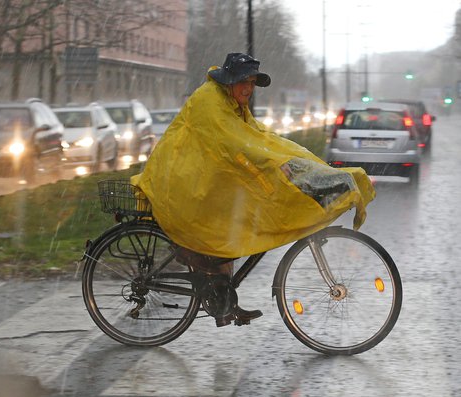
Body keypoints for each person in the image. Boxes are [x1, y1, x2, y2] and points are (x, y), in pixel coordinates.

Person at [132, 52, 375, 328]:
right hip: (181, 181)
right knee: (219, 230)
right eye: (242, 81)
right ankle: (219, 296)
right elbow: (236, 144)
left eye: (251, 82)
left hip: (205, 177)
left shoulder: (232, 102)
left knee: (233, 225)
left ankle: (223, 299)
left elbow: (259, 137)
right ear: (229, 81)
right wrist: (272, 163)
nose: (248, 88)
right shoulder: (209, 101)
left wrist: (295, 162)